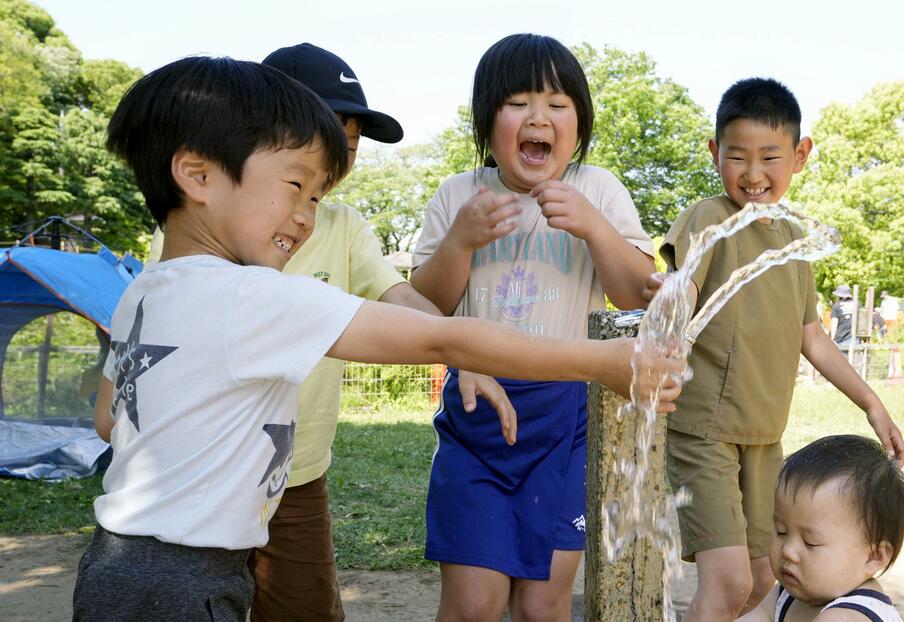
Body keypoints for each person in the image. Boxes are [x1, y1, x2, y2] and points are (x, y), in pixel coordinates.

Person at [74, 56, 683, 620]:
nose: (309, 214)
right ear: (198, 174)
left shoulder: (145, 291)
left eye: (317, 195)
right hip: (186, 578)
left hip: (118, 562)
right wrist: (604, 359)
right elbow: (434, 337)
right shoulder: (250, 294)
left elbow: (109, 419)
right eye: (295, 186)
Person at [252, 43, 515, 621]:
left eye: (349, 149)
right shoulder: (217, 218)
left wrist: (460, 352)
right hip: (210, 469)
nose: (342, 162)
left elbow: (399, 297)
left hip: (296, 476)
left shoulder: (343, 225)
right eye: (329, 142)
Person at [410, 34, 656, 620]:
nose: (537, 117)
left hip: (565, 415)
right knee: (475, 603)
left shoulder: (597, 190)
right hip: (477, 410)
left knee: (543, 605)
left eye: (557, 102)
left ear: (579, 121)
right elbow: (424, 306)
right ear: (487, 119)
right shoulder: (459, 195)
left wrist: (596, 228)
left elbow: (634, 294)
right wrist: (461, 241)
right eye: (517, 102)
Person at [648, 77, 904, 621]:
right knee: (727, 580)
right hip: (705, 431)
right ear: (715, 153)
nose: (753, 173)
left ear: (800, 155)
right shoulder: (709, 218)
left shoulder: (796, 241)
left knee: (767, 577)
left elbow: (813, 336)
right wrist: (667, 324)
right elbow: (684, 288)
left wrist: (871, 402)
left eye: (770, 157)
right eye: (737, 156)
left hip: (765, 437)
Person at [738, 435, 904, 622]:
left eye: (810, 542)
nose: (788, 551)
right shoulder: (788, 593)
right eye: (781, 531)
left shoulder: (846, 617)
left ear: (874, 556)